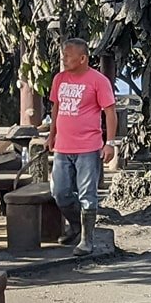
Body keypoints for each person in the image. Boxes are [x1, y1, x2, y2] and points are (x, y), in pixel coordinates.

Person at [47, 38, 118, 252]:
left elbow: (110, 112)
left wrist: (110, 143)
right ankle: (77, 225)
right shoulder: (59, 79)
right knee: (60, 192)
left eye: (68, 55)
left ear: (83, 58)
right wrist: (51, 135)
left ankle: (87, 240)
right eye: (63, 55)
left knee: (88, 193)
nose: (64, 58)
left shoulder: (98, 81)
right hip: (62, 147)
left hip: (88, 146)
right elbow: (56, 109)